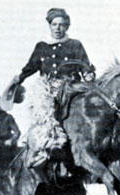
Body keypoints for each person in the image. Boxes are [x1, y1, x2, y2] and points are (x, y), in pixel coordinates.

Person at [11, 8, 95, 169]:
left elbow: (85, 65)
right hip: (48, 89)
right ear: (49, 26)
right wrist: (18, 79)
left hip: (71, 87)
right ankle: (45, 147)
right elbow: (31, 67)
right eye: (54, 24)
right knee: (44, 112)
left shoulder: (75, 45)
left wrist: (88, 75)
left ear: (67, 27)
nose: (58, 28)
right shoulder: (41, 46)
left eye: (62, 25)